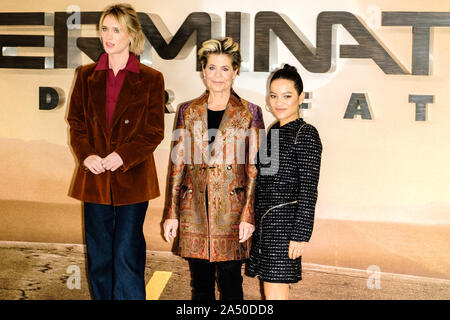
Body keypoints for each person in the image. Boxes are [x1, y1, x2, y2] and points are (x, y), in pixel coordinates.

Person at [67, 3, 165, 300]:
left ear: (131, 35)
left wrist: (122, 155)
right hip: (94, 178)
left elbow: (154, 131)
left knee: (126, 252)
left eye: (116, 30)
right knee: (99, 256)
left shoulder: (151, 78)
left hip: (132, 179)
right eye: (104, 29)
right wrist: (87, 155)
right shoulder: (85, 75)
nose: (108, 36)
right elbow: (76, 122)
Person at [163, 37, 265, 300]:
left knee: (232, 286)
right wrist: (171, 213)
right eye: (211, 68)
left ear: (235, 71)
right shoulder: (187, 110)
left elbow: (258, 168)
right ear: (203, 71)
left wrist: (249, 214)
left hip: (232, 214)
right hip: (193, 211)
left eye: (225, 68)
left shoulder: (251, 112)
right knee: (200, 287)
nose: (217, 75)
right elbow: (177, 164)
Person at [246, 64, 322, 299]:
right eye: (273, 95)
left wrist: (300, 234)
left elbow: (309, 189)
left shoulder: (306, 133)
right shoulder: (274, 131)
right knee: (271, 287)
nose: (279, 102)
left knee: (275, 289)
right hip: (266, 224)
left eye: (287, 96)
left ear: (300, 97)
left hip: (285, 226)